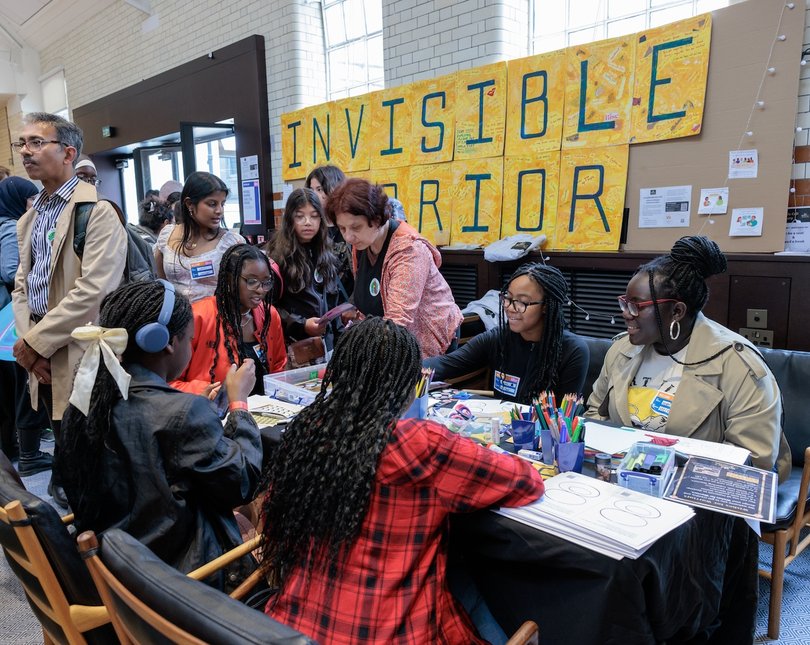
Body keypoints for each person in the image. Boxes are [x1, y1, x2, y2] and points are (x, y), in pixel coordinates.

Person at [258, 317, 544, 644]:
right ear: (407, 384)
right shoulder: (418, 444)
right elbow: (526, 481)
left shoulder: (308, 432)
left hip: (291, 628)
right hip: (391, 631)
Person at [59, 280, 262, 587]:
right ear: (166, 342)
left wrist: (196, 411)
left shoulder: (86, 399)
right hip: (179, 579)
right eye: (189, 340)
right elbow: (242, 483)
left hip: (121, 563)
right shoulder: (182, 412)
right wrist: (239, 405)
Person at [586, 235, 791, 481]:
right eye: (624, 303)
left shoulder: (738, 364)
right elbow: (596, 416)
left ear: (677, 311)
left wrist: (661, 473)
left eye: (636, 306)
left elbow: (753, 460)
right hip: (625, 479)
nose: (626, 314)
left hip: (703, 488)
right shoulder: (621, 350)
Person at [11, 112, 127, 508]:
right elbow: (23, 286)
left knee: (94, 457)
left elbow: (93, 291)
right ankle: (81, 542)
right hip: (42, 354)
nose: (26, 151)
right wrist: (31, 346)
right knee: (66, 452)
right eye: (21, 143)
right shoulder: (29, 218)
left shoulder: (97, 212)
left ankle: (105, 550)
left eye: (36, 143)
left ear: (68, 153)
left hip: (81, 354)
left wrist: (37, 344)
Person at [325, 178, 463, 358]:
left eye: (355, 227)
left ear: (376, 219)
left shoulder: (409, 250)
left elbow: (397, 322)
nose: (349, 236)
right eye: (342, 229)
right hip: (390, 340)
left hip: (429, 340)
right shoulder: (361, 245)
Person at [426, 263, 589, 403]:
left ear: (546, 306)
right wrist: (405, 367)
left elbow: (564, 418)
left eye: (522, 302)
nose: (510, 308)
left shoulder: (572, 350)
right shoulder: (499, 338)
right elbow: (446, 364)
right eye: (508, 298)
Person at [170, 244, 286, 396]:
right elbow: (169, 381)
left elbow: (278, 368)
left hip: (265, 411)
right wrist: (209, 393)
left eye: (266, 282)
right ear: (230, 279)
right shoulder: (198, 316)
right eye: (252, 281)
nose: (261, 290)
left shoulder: (269, 315)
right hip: (211, 411)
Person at [0, 176, 52, 475]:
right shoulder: (11, 226)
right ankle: (30, 454)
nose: (33, 206)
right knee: (25, 380)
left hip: (5, 316)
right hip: (12, 314)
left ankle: (11, 449)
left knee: (8, 387)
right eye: (30, 200)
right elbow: (11, 271)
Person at [268, 188, 344, 350]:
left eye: (314, 216)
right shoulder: (278, 257)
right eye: (300, 216)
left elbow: (332, 300)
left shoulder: (326, 252)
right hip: (295, 346)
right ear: (289, 219)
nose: (308, 222)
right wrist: (302, 324)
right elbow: (267, 307)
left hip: (327, 344)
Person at [155, 171, 244, 302]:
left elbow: (241, 290)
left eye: (222, 204)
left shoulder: (231, 242)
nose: (219, 210)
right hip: (176, 318)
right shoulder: (167, 235)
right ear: (189, 204)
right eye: (212, 204)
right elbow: (162, 285)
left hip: (214, 318)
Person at [306, 164, 353, 296]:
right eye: (311, 190)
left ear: (335, 189)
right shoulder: (310, 228)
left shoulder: (350, 226)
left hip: (346, 306)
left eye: (320, 189)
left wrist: (353, 304)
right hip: (318, 304)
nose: (314, 195)